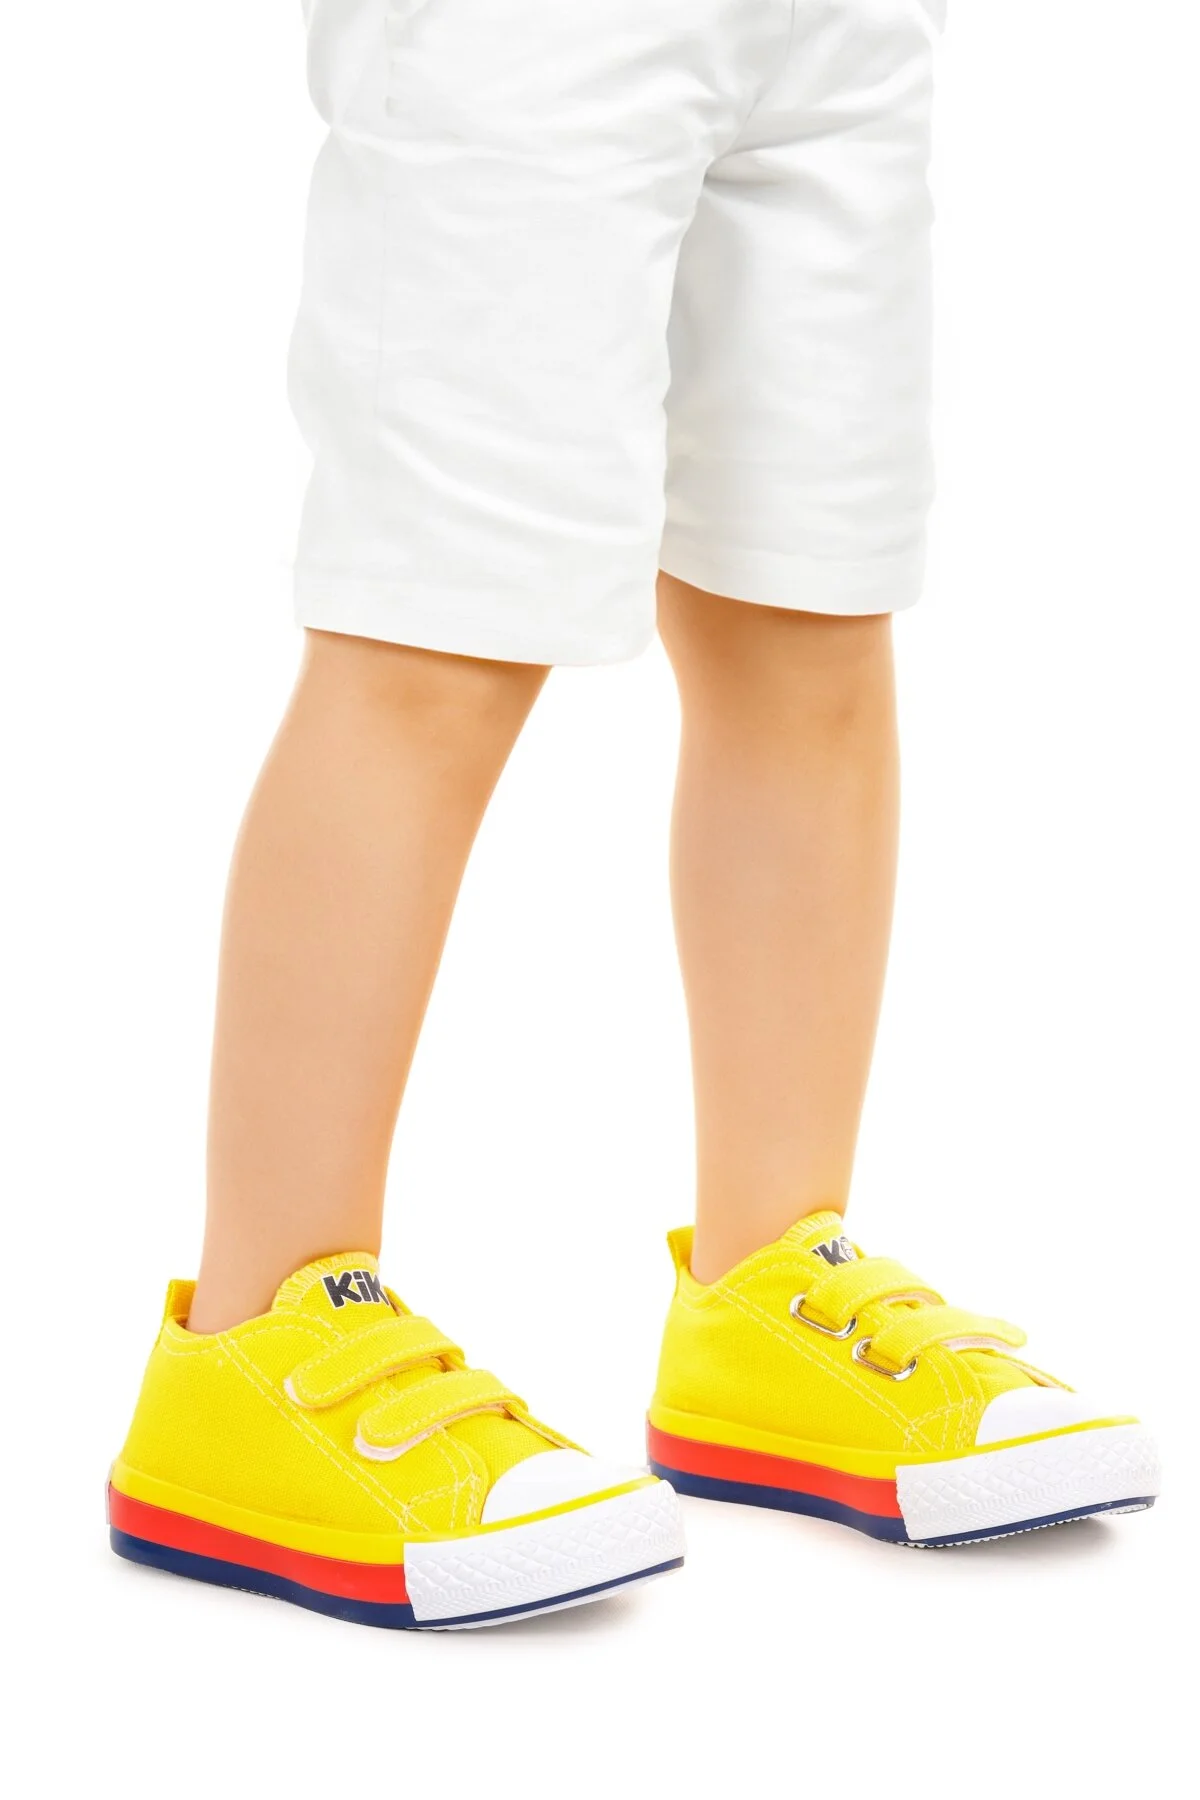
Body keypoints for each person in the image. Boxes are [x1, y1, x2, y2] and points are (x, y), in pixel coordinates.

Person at [108, 0, 1160, 1629]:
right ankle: (255, 1342)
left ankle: (766, 1286)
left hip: (838, 34)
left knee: (809, 611)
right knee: (436, 633)